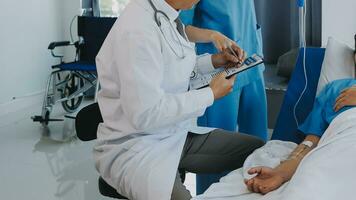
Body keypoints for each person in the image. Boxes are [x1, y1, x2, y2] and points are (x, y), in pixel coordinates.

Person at [93, 0, 265, 200]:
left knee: (259, 153)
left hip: (173, 135)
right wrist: (210, 94)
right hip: (137, 148)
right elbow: (145, 114)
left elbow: (175, 67)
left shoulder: (165, 16)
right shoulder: (137, 31)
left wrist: (214, 61)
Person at [180, 0, 268, 193]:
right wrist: (213, 35)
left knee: (260, 151)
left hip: (251, 63)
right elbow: (180, 28)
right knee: (215, 157)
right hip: (219, 72)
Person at [245, 47, 356, 194]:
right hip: (340, 147)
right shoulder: (335, 89)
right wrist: (281, 173)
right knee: (305, 187)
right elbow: (310, 142)